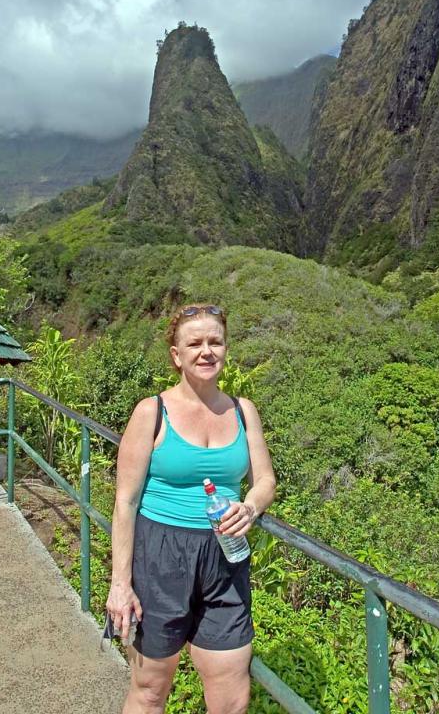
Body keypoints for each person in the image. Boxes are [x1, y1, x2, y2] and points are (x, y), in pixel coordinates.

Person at [106, 303, 276, 714]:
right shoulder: (152, 412)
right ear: (176, 355)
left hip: (225, 559)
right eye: (194, 343)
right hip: (160, 556)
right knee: (150, 689)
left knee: (231, 693)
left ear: (226, 349)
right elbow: (125, 502)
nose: (206, 351)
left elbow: (265, 481)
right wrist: (120, 584)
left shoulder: (242, 411)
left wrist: (250, 508)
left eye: (215, 341)